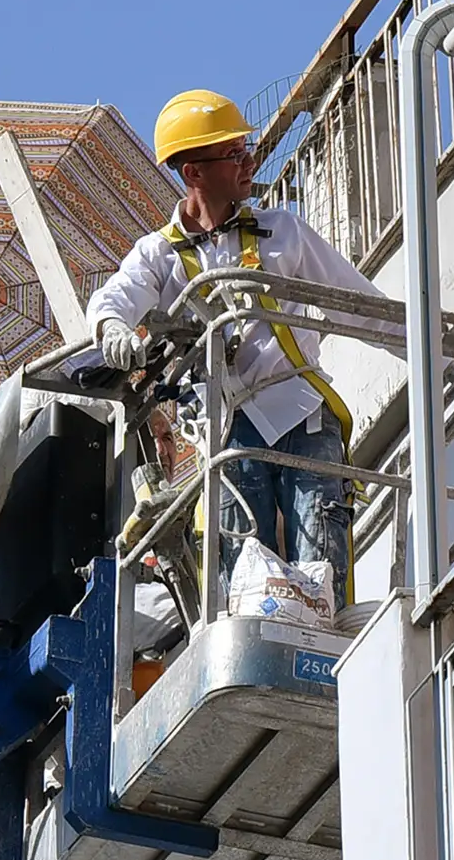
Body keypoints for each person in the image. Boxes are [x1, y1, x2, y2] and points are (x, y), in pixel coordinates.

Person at [84, 89, 377, 595]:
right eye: (234, 153)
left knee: (321, 566)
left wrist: (439, 354)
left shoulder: (281, 232)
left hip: (302, 412)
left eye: (246, 149)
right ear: (193, 172)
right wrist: (112, 331)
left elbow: (363, 306)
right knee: (242, 578)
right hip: (229, 431)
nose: (249, 162)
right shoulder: (160, 254)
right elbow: (114, 300)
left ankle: (325, 650)